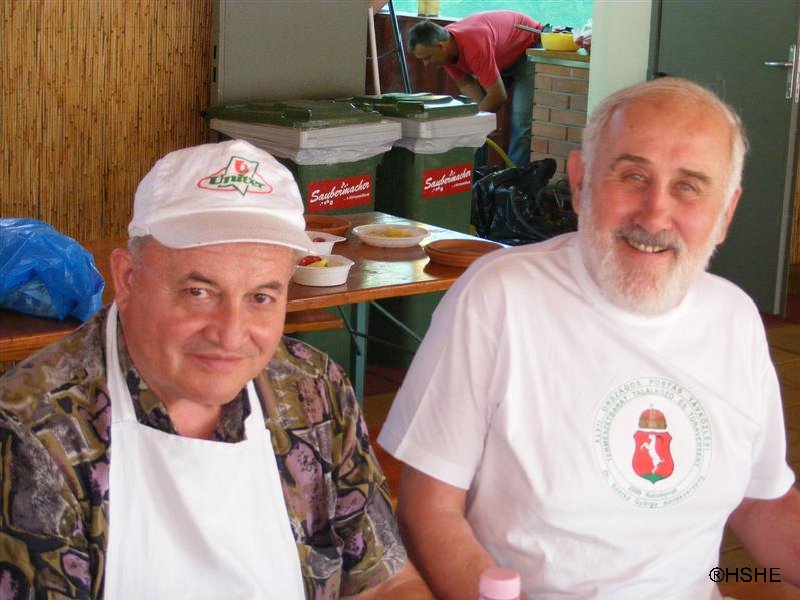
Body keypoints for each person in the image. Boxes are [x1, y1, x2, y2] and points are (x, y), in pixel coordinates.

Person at [378, 77, 800, 599]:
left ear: (725, 214)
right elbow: (428, 510)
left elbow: (760, 503)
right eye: (633, 176)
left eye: (689, 186)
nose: (654, 214)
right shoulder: (501, 296)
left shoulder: (734, 318)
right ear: (580, 184)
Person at [0, 139, 431, 599]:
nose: (230, 334)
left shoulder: (313, 389)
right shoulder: (29, 429)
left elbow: (385, 583)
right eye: (199, 293)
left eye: (261, 297)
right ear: (127, 279)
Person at [407, 11, 542, 168]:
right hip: (499, 55)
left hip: (526, 47)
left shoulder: (473, 44)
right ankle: (474, 175)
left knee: (521, 122)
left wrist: (476, 123)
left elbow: (498, 96)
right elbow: (466, 83)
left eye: (427, 58)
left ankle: (515, 179)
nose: (425, 64)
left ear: (441, 46)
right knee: (476, 123)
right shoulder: (445, 48)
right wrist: (478, 121)